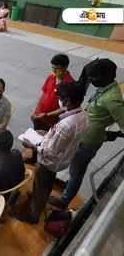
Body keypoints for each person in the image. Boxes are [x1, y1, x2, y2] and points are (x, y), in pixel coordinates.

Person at [49, 59, 124, 209]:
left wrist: (112, 134)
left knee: (76, 171)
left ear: (107, 76)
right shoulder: (104, 89)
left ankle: (65, 200)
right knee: (71, 165)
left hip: (88, 142)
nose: (91, 80)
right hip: (82, 135)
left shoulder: (112, 99)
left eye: (94, 77)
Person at [16, 81, 88, 224]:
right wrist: (47, 134)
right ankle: (39, 198)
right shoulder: (82, 115)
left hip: (49, 163)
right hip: (63, 158)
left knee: (42, 184)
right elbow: (62, 141)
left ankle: (33, 215)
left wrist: (33, 144)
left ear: (67, 100)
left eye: (60, 98)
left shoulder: (66, 125)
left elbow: (49, 152)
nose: (58, 101)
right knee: (45, 185)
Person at [32, 54, 74, 132]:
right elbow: (43, 95)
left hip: (51, 122)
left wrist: (46, 115)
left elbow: (65, 108)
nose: (54, 71)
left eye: (57, 68)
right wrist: (36, 112)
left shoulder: (70, 85)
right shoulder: (51, 77)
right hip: (39, 116)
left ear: (65, 67)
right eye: (52, 68)